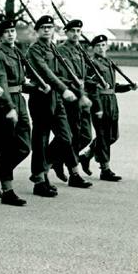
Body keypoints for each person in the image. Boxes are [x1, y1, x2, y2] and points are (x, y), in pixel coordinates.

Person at [26, 15, 92, 197]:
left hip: (56, 98)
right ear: (37, 30)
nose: (47, 30)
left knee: (67, 136)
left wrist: (73, 89)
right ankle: (39, 180)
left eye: (50, 27)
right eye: (43, 27)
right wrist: (64, 89)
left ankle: (45, 168)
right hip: (41, 98)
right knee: (40, 140)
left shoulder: (53, 48)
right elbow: (46, 73)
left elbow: (59, 74)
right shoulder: (34, 50)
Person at [79, 35, 138, 181]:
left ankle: (86, 156)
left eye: (103, 45)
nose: (101, 47)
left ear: (107, 46)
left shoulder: (109, 63)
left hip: (112, 101)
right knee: (104, 135)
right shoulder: (92, 64)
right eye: (98, 45)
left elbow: (113, 87)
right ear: (93, 48)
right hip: (100, 101)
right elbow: (91, 86)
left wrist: (128, 87)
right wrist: (97, 105)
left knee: (112, 136)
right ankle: (105, 169)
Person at [0, 19, 32, 206]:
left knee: (24, 146)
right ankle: (7, 190)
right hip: (5, 105)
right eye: (6, 32)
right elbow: (1, 84)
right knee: (5, 148)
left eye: (13, 30)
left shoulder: (16, 52)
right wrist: (9, 107)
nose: (10, 34)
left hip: (19, 101)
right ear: (1, 35)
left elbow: (19, 81)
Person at [52, 19, 93, 182]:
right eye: (73, 31)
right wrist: (79, 93)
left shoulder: (80, 51)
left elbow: (82, 76)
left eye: (78, 31)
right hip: (70, 98)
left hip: (81, 98)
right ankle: (74, 173)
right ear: (66, 32)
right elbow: (64, 77)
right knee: (71, 135)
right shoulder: (62, 51)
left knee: (84, 136)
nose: (76, 34)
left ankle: (58, 160)